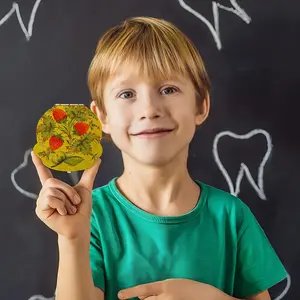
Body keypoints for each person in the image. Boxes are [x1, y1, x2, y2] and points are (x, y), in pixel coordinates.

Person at [31, 16, 287, 300]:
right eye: (127, 93)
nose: (149, 109)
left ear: (201, 105)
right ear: (101, 117)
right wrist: (72, 240)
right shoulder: (91, 217)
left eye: (168, 90)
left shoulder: (231, 217)